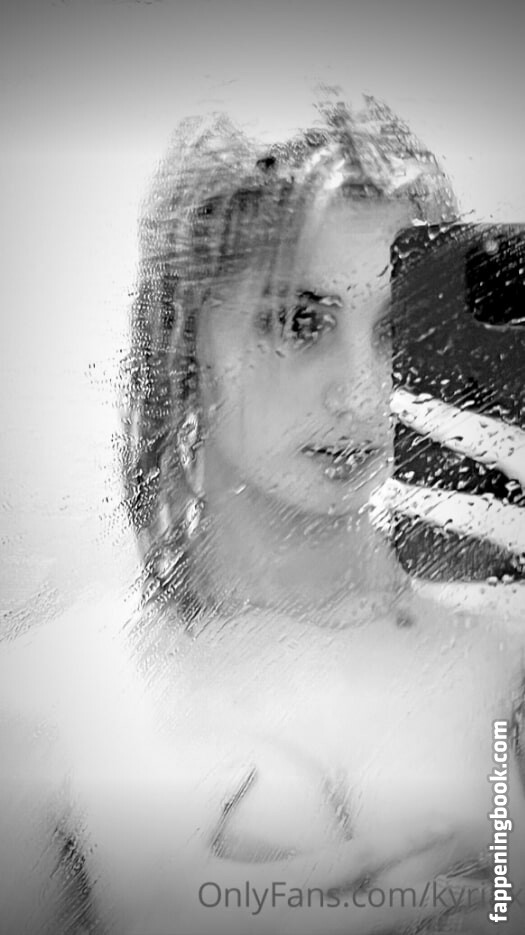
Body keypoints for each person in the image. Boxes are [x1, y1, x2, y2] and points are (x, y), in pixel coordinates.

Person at [2, 91, 525, 935]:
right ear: (182, 340)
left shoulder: (500, 658)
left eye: (395, 325)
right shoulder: (53, 704)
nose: (362, 392)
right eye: (297, 320)